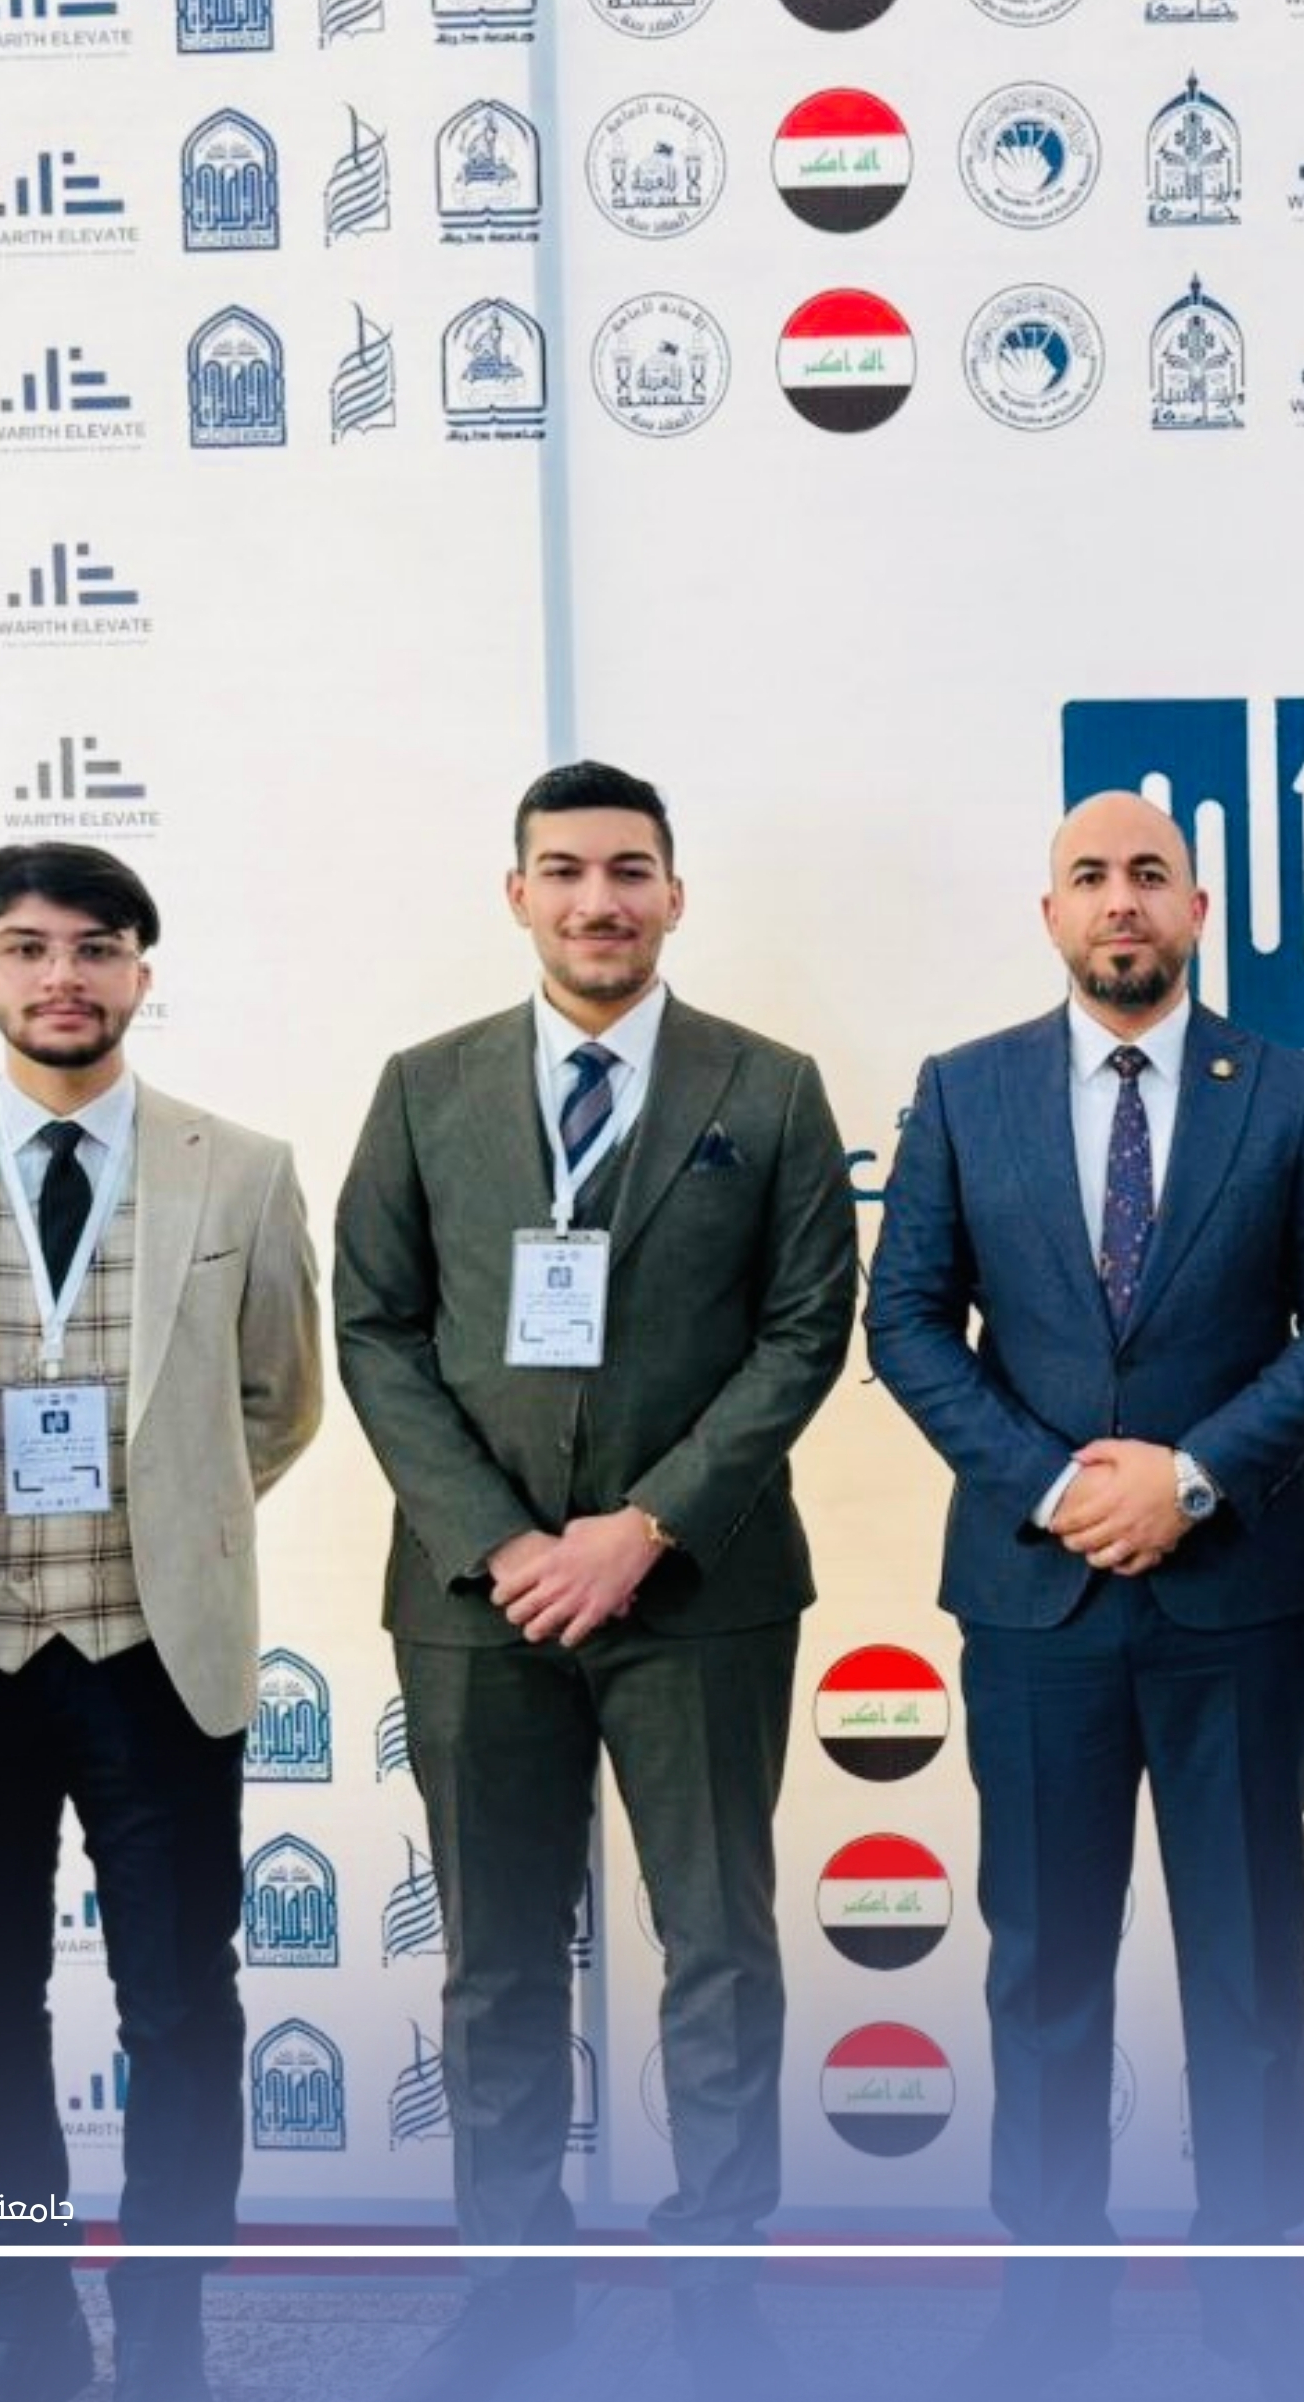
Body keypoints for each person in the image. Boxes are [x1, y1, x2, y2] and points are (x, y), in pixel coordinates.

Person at [333, 762, 856, 2402]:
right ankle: (514, 2281)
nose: (598, 899)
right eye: (563, 870)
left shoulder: (769, 1088)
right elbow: (375, 1329)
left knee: (719, 1944)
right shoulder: (424, 1088)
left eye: (629, 870)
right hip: (474, 1603)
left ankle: (718, 2281)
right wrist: (503, 1541)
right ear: (518, 895)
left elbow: (803, 1334)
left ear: (674, 895)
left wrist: (645, 1527)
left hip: (699, 1591)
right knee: (495, 1956)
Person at [864, 791, 1304, 2397]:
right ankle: (1051, 2295)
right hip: (1036, 1601)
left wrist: (1196, 1475)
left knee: (1248, 1957)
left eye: (1150, 875)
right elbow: (904, 1321)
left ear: (1197, 909)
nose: (1121, 901)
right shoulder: (965, 1090)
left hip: (1235, 1596)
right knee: (1042, 1960)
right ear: (1050, 914)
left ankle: (1254, 2291)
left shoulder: (1290, 1090)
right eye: (1089, 876)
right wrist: (1056, 1485)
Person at [0, 843, 323, 2402]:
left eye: (96, 947)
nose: (63, 978)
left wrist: (168, 1519)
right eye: (27, 948)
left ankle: (164, 2324)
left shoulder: (240, 1169)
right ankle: (24, 2320)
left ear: (140, 973)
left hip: (154, 1660)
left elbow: (279, 1402)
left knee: (181, 2009)